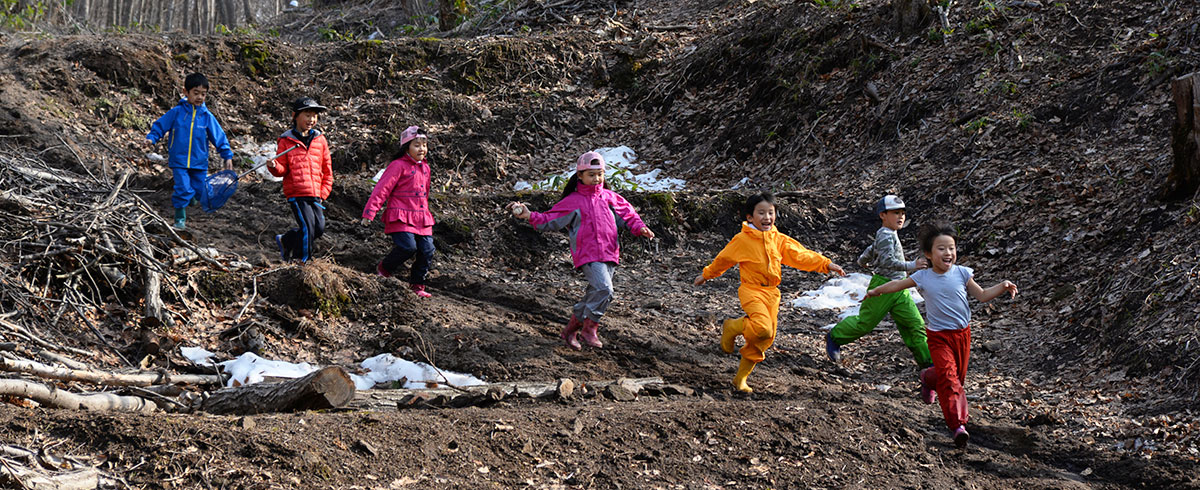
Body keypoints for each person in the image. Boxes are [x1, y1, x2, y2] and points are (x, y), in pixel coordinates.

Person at [865, 221, 1017, 448]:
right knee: (950, 380)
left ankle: (927, 378)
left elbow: (983, 295)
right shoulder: (923, 277)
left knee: (955, 378)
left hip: (962, 336)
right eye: (941, 248)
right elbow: (897, 284)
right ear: (928, 253)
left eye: (952, 248)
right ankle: (958, 426)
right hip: (938, 337)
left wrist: (1003, 286)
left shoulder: (962, 273)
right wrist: (877, 290)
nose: (948, 253)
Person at [694, 192, 846, 393]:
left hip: (772, 293)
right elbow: (724, 259)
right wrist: (706, 274)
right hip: (751, 290)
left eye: (770, 213)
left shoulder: (778, 239)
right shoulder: (742, 240)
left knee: (765, 338)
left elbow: (800, 255)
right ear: (750, 217)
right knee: (762, 328)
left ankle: (740, 378)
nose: (767, 217)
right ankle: (732, 327)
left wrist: (826, 264)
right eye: (761, 213)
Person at [506, 151, 655, 350]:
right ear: (580, 176)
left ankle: (569, 331)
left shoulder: (611, 198)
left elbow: (629, 216)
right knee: (605, 289)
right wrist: (529, 215)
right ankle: (590, 328)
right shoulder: (573, 202)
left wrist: (640, 228)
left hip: (610, 252)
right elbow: (549, 219)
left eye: (600, 174)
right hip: (587, 254)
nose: (596, 179)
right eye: (591, 175)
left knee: (595, 293)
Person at [825, 195, 933, 373]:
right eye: (895, 213)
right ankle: (835, 337)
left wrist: (862, 260)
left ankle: (928, 364)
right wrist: (912, 265)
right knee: (865, 322)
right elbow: (887, 261)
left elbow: (873, 248)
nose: (900, 217)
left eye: (902, 213)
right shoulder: (885, 234)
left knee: (914, 324)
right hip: (883, 286)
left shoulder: (888, 233)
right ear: (883, 215)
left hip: (900, 287)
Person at [144, 72, 234, 230]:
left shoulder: (206, 116)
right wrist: (152, 137)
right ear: (186, 92)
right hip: (179, 160)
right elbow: (160, 125)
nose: (200, 97)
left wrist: (227, 155)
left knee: (201, 190)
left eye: (203, 94)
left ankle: (192, 196)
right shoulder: (176, 113)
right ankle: (180, 216)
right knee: (182, 188)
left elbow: (218, 136)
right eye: (196, 93)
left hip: (199, 161)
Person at [361, 126, 436, 298]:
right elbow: (381, 190)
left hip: (421, 217)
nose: (422, 149)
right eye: (417, 145)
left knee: (427, 250)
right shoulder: (397, 166)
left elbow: (426, 193)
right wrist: (369, 213)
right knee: (408, 247)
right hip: (400, 214)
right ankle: (384, 268)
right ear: (406, 147)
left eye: (424, 145)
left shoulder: (426, 168)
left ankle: (417, 285)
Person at [269, 97, 332, 263]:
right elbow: (282, 170)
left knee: (318, 229)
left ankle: (286, 240)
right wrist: (274, 166)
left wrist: (323, 192)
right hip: (297, 193)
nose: (311, 119)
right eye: (307, 115)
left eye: (314, 116)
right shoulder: (286, 140)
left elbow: (327, 170)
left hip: (316, 194)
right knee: (307, 227)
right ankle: (302, 261)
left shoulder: (320, 140)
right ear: (295, 116)